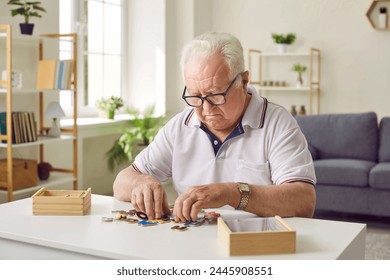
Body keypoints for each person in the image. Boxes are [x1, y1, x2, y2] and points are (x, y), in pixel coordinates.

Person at [113, 31, 316, 222]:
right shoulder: (180, 125)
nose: (205, 109)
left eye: (215, 95)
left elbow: (304, 200)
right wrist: (139, 183)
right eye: (195, 96)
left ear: (244, 81)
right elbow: (121, 182)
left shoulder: (277, 123)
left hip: (256, 244)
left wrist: (233, 193)